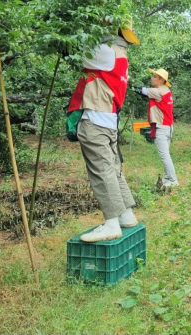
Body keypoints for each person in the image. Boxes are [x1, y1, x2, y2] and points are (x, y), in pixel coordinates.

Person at [67, 20, 140, 243]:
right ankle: (126, 214)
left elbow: (72, 52)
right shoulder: (120, 53)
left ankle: (111, 223)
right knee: (112, 168)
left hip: (96, 120)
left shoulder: (106, 51)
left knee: (101, 171)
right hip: (108, 120)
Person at [135, 68, 178, 191]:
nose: (152, 78)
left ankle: (173, 179)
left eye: (155, 76)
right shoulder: (166, 90)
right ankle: (168, 178)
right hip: (167, 127)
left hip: (162, 127)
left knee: (164, 155)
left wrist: (127, 82)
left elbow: (141, 91)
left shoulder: (159, 91)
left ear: (162, 80)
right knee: (166, 154)